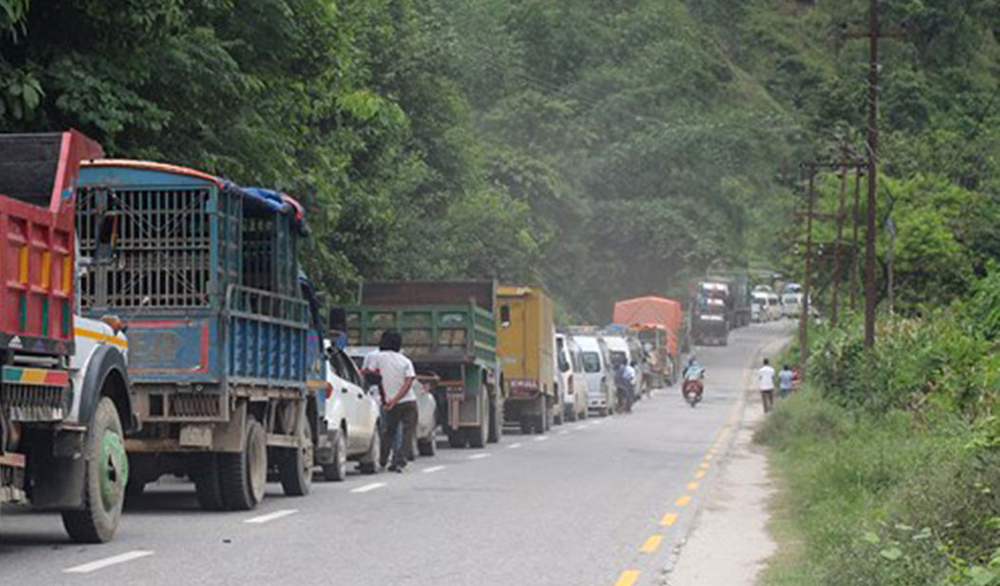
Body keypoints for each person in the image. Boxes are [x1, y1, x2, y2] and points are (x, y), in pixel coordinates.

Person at [362, 330, 418, 472]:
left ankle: (382, 460)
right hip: (408, 401)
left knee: (389, 432)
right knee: (407, 432)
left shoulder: (378, 358)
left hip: (389, 403)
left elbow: (369, 373)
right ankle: (400, 460)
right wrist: (397, 398)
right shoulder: (405, 361)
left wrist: (390, 399)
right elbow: (409, 381)